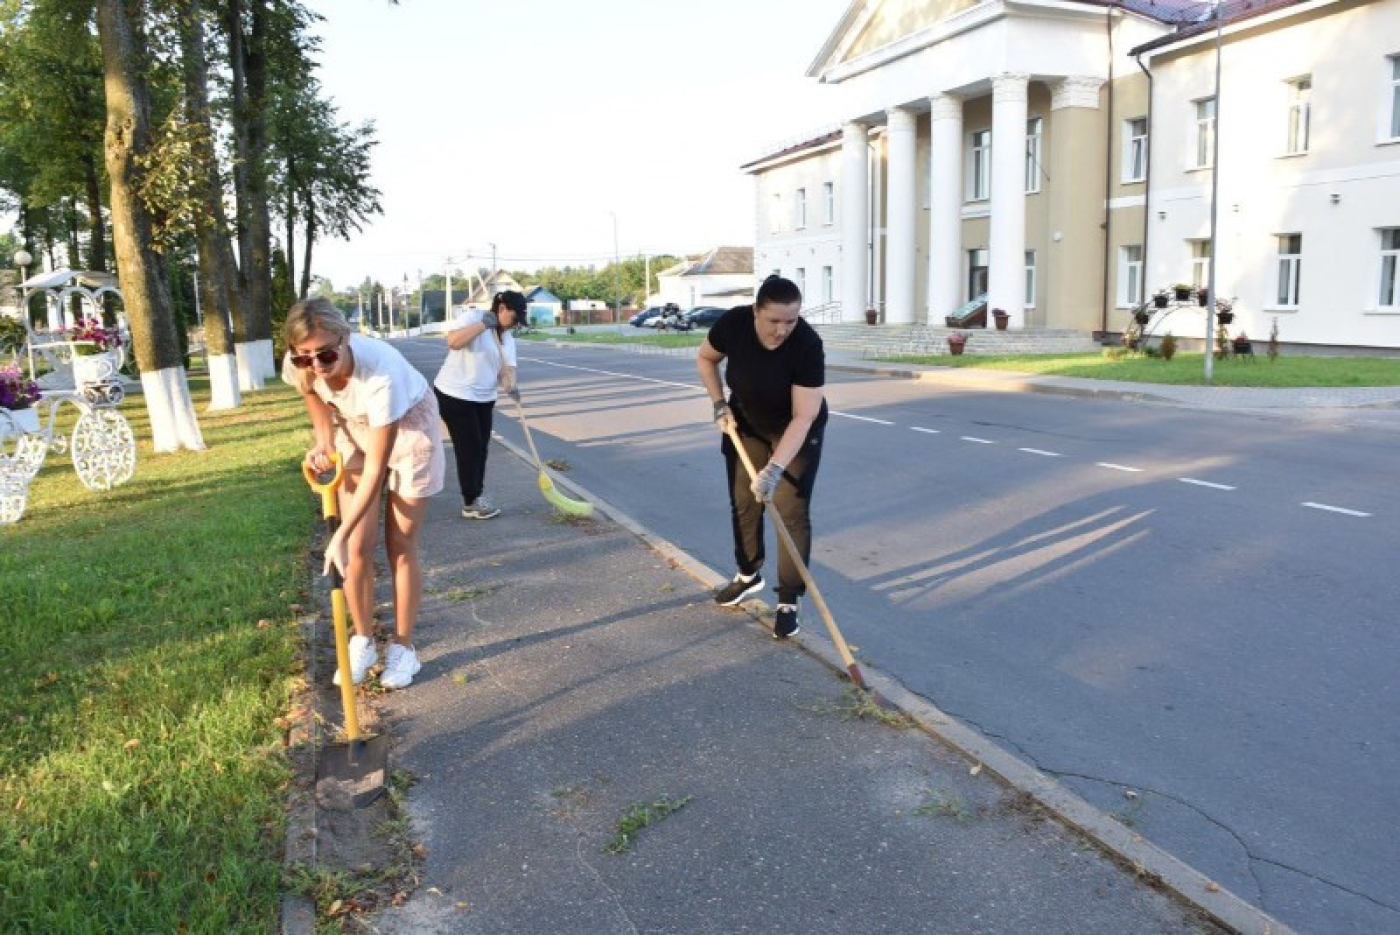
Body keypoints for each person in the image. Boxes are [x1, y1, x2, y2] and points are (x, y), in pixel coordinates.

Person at [283, 297, 445, 690]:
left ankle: (404, 648)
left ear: (345, 338)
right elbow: (312, 392)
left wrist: (337, 532)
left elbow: (376, 467)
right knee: (357, 548)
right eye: (304, 357)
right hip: (352, 426)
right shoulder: (301, 363)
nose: (316, 366)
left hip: (408, 426)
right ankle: (363, 640)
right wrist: (323, 441)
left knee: (399, 543)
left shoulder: (380, 373)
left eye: (326, 355)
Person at [696, 275, 828, 639]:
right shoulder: (734, 324)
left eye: (791, 320)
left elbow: (804, 416)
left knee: (790, 512)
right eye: (774, 321)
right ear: (755, 311)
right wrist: (719, 403)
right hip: (747, 425)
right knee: (744, 502)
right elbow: (706, 358)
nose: (783, 329)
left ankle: (788, 599)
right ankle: (748, 574)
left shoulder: (807, 346)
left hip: (796, 431)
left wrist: (774, 469)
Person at [432, 290, 523, 520]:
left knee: (481, 446)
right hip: (454, 393)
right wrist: (483, 325)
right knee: (470, 445)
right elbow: (453, 342)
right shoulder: (473, 319)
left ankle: (476, 496)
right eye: (514, 318)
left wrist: (511, 386)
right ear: (501, 309)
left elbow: (506, 370)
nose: (516, 324)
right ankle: (470, 501)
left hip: (484, 397)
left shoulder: (507, 339)